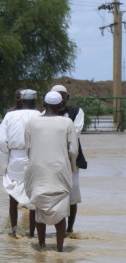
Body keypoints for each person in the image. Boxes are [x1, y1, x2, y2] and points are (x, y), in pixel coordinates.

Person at [24, 91, 78, 252]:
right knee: (61, 210)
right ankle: (60, 249)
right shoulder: (67, 123)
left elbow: (28, 148)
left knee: (39, 207)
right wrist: (71, 166)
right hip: (59, 169)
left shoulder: (32, 123)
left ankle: (41, 246)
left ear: (44, 105)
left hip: (38, 169)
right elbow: (73, 150)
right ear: (61, 105)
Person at [0, 89, 40, 237]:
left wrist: (4, 163)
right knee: (34, 197)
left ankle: (14, 230)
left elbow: (1, 141)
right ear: (34, 101)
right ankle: (32, 234)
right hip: (33, 157)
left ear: (21, 101)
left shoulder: (9, 116)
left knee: (12, 196)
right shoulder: (39, 116)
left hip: (14, 157)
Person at [51, 84, 87, 234]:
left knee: (72, 196)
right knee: (53, 194)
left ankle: (69, 230)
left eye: (62, 97)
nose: (60, 100)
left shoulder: (77, 112)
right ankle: (57, 230)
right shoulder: (43, 114)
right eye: (56, 97)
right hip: (51, 160)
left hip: (72, 160)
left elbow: (75, 132)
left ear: (67, 98)